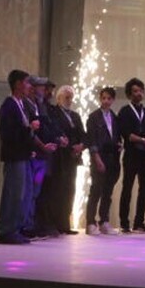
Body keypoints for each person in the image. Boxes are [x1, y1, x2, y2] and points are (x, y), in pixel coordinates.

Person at [0, 69, 37, 244]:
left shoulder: (22, 105)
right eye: (26, 82)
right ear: (18, 84)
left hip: (23, 155)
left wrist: (30, 145)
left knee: (24, 193)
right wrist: (29, 129)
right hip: (14, 157)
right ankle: (6, 230)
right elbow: (7, 132)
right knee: (13, 193)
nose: (29, 86)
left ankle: (17, 228)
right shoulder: (9, 105)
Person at [116, 77, 145, 234]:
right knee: (127, 187)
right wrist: (143, 140)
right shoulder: (125, 111)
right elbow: (126, 134)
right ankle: (124, 223)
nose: (139, 93)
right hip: (131, 154)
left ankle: (139, 222)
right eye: (135, 91)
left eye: (141, 91)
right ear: (129, 94)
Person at [41, 84, 86, 235]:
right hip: (59, 158)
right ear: (59, 98)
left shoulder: (75, 116)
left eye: (71, 98)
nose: (69, 100)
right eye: (67, 97)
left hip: (72, 158)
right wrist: (67, 145)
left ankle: (65, 223)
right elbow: (55, 132)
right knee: (57, 190)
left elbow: (83, 135)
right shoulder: (54, 113)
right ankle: (54, 223)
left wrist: (81, 146)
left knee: (70, 190)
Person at [25, 76, 63, 238]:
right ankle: (29, 225)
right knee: (32, 191)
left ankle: (35, 224)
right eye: (42, 87)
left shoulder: (40, 106)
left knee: (39, 191)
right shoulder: (29, 105)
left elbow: (49, 127)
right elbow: (34, 131)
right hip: (35, 154)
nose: (46, 91)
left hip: (43, 155)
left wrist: (57, 139)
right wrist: (43, 145)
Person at [84, 86, 123, 235]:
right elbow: (91, 140)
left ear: (113, 100)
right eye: (104, 98)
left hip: (113, 158)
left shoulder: (115, 117)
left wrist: (120, 144)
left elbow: (118, 136)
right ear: (100, 99)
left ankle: (104, 221)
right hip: (99, 157)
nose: (106, 101)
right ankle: (90, 222)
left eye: (109, 98)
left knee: (108, 191)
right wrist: (97, 159)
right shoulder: (93, 117)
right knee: (96, 190)